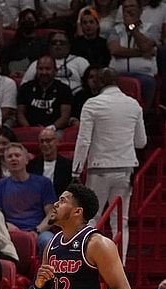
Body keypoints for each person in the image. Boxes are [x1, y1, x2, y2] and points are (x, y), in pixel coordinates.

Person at [73, 67, 146, 266]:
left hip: (99, 169)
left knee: (92, 217)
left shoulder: (93, 104)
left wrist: (76, 171)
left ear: (99, 83)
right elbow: (141, 142)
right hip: (126, 169)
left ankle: (90, 262)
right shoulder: (133, 105)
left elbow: (84, 140)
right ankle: (119, 266)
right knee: (120, 220)